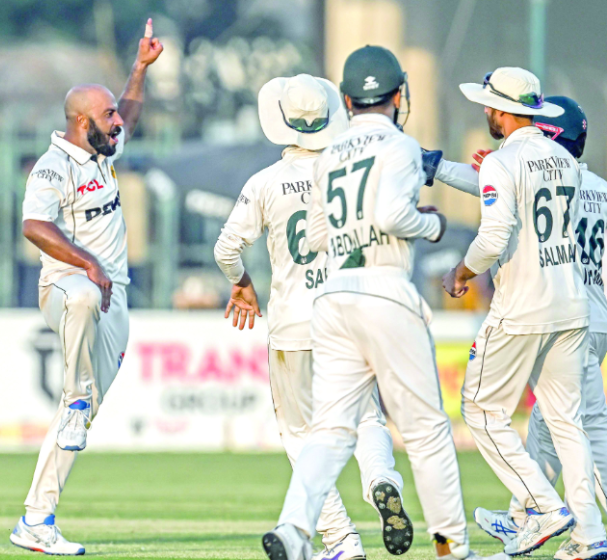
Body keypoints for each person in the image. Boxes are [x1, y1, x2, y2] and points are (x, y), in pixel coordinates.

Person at [261, 45, 501, 560]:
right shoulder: (399, 145)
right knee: (428, 431)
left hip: (333, 296)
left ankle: (294, 528)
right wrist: (432, 224)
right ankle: (451, 548)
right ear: (398, 96)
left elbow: (322, 234)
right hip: (384, 289)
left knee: (330, 430)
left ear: (347, 100)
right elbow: (394, 215)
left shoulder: (330, 155)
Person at [214, 73, 410, 560]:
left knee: (301, 435)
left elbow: (226, 249)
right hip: (353, 314)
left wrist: (241, 284)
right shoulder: (355, 171)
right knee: (366, 419)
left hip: (295, 323)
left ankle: (341, 540)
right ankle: (382, 479)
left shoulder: (264, 183)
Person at [430, 94, 607, 560]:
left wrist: (462, 273)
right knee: (565, 426)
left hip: (537, 307)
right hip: (585, 310)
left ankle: (545, 513)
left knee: (495, 412)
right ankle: (559, 525)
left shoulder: (518, 164)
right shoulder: (586, 179)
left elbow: (496, 223)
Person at [10, 19, 163, 556]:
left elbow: (132, 111)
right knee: (79, 298)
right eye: (107, 116)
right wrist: (89, 264)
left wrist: (140, 68)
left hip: (112, 298)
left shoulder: (103, 150)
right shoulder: (52, 167)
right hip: (66, 290)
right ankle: (74, 396)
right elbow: (33, 226)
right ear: (80, 123)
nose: (118, 121)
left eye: (114, 114)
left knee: (77, 423)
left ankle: (36, 519)